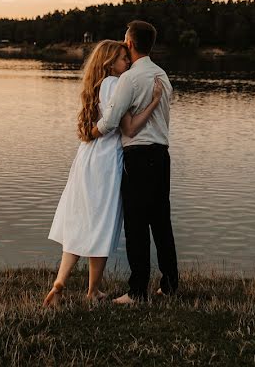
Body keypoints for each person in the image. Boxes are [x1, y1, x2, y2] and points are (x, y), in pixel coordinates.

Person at [44, 40, 163, 306]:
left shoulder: (95, 86)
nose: (127, 62)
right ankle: (93, 290)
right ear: (109, 63)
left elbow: (96, 126)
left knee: (80, 219)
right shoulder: (115, 85)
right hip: (106, 161)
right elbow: (128, 128)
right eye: (122, 59)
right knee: (102, 224)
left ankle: (61, 281)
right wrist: (154, 101)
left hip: (86, 157)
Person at [93, 20, 177, 304]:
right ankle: (169, 284)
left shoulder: (129, 79)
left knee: (137, 226)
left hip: (138, 157)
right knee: (161, 222)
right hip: (162, 155)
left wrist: (89, 131)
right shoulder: (162, 76)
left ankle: (138, 290)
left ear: (129, 43)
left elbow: (113, 121)